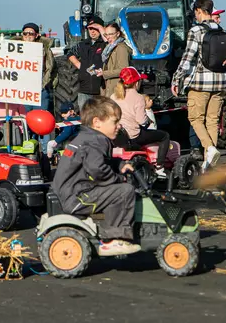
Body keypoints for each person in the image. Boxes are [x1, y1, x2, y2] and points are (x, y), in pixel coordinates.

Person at [52, 96, 140, 256]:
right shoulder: (97, 140)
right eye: (115, 122)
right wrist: (120, 179)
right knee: (124, 191)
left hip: (69, 192)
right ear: (97, 122)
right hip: (77, 198)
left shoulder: (87, 137)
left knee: (117, 189)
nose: (119, 126)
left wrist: (120, 165)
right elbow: (97, 169)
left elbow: (101, 161)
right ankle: (114, 239)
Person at [172, 0, 226, 170]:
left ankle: (210, 149)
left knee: (195, 118)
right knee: (212, 120)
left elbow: (187, 58)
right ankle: (208, 163)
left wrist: (176, 79)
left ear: (198, 10)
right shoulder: (221, 30)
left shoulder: (196, 30)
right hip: (219, 83)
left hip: (200, 83)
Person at [112, 67, 170, 176]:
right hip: (133, 137)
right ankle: (160, 167)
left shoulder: (113, 96)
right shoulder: (138, 97)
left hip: (118, 136)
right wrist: (148, 120)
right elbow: (142, 121)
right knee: (165, 136)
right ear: (136, 83)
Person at [68, 16, 106, 109]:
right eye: (90, 29)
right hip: (84, 88)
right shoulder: (83, 44)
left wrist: (102, 30)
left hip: (101, 88)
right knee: (85, 116)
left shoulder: (105, 44)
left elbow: (111, 45)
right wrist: (79, 65)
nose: (92, 32)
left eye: (95, 29)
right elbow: (70, 53)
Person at [21, 22, 56, 115]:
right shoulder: (14, 49)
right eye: (25, 33)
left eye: (31, 33)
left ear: (36, 35)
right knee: (23, 120)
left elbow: (51, 67)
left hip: (40, 90)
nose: (28, 35)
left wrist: (46, 84)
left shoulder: (45, 50)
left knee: (39, 118)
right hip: (21, 91)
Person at [100, 23, 131, 97]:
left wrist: (104, 73)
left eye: (110, 34)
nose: (108, 37)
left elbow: (123, 70)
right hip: (110, 88)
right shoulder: (109, 48)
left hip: (117, 89)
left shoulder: (121, 48)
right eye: (106, 34)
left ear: (118, 34)